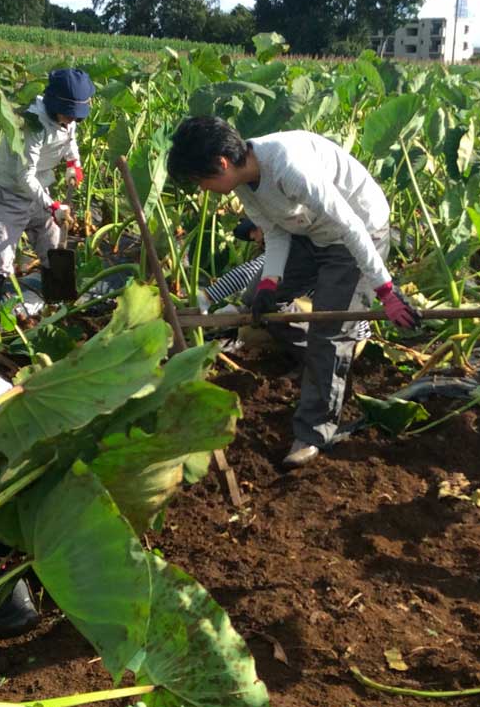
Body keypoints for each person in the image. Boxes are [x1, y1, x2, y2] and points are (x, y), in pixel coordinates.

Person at [167, 117, 416, 468]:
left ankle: (314, 432)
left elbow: (350, 225)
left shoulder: (287, 165)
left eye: (200, 180)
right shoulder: (241, 181)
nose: (202, 188)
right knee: (258, 304)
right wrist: (270, 282)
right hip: (307, 233)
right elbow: (275, 230)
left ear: (221, 163)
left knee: (329, 330)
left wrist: (386, 291)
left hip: (357, 234)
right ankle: (321, 359)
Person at [0, 68, 96, 326]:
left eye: (76, 116)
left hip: (39, 190)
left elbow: (70, 141)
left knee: (53, 249)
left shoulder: (68, 120)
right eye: (68, 114)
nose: (71, 120)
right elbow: (24, 176)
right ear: (55, 105)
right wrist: (53, 206)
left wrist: (73, 166)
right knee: (1, 258)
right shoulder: (33, 123)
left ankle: (61, 307)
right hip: (8, 191)